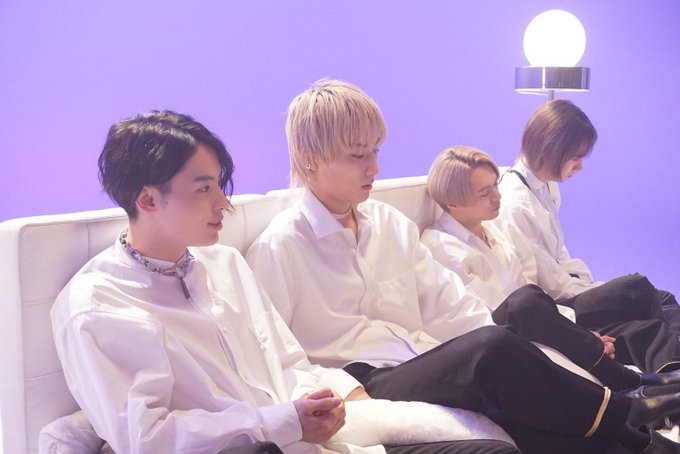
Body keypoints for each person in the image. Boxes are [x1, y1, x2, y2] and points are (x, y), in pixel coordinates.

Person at [246, 79, 680, 454]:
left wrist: (518, 352)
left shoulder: (390, 225)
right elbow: (276, 360)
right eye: (358, 154)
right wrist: (344, 391)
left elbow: (451, 304)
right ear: (310, 156)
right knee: (490, 349)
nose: (374, 166)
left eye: (375, 150)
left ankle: (648, 441)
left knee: (537, 420)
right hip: (367, 383)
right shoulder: (280, 247)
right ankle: (629, 406)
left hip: (425, 359)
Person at [52, 110, 481, 454]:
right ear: (147, 199)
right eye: (203, 189)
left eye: (219, 185)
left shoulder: (225, 265)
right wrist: (283, 421)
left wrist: (321, 401)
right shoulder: (98, 304)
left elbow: (289, 361)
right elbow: (147, 440)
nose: (223, 203)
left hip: (314, 439)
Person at [421, 145, 680, 377]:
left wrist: (572, 327)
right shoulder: (442, 248)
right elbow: (497, 314)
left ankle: (670, 387)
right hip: (521, 335)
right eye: (484, 193)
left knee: (648, 328)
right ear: (453, 204)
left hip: (550, 318)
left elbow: (539, 284)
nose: (497, 196)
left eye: (495, 185)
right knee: (635, 293)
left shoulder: (496, 228)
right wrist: (576, 337)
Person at [496, 99, 680, 371]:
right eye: (575, 157)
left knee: (661, 299)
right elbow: (543, 284)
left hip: (569, 288)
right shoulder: (516, 204)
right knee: (636, 288)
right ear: (550, 150)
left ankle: (672, 366)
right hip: (556, 305)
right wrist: (595, 290)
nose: (580, 166)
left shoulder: (545, 188)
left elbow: (559, 256)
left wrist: (591, 284)